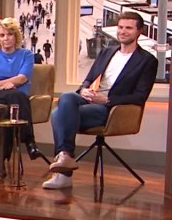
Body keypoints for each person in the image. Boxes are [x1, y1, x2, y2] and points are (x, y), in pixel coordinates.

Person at [43, 12, 158, 189]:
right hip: (90, 99)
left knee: (58, 114)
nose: (123, 31)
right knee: (67, 97)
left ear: (139, 31)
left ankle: (64, 168)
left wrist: (107, 100)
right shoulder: (107, 52)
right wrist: (84, 90)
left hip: (110, 108)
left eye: (128, 28)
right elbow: (88, 79)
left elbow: (140, 96)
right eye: (120, 27)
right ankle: (65, 157)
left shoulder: (147, 61)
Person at [0, 17, 41, 162]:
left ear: (16, 36)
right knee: (15, 96)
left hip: (15, 99)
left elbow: (22, 78)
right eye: (2, 35)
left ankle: (0, 159)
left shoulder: (26, 55)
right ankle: (30, 142)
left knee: (8, 109)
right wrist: (2, 86)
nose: (6, 38)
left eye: (10, 34)